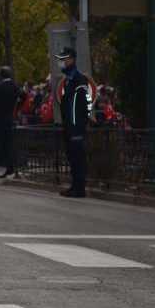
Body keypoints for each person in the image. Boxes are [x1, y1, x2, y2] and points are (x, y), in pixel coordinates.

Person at [56, 47, 92, 198]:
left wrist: (80, 124)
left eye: (63, 59)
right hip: (70, 126)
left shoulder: (79, 79)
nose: (61, 63)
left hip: (76, 127)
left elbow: (84, 103)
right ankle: (75, 186)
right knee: (72, 157)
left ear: (71, 60)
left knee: (78, 158)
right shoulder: (69, 81)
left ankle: (79, 188)